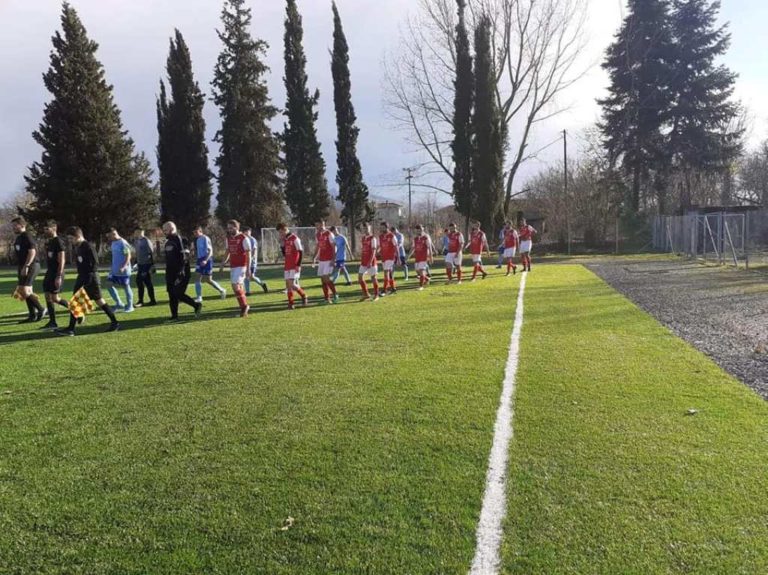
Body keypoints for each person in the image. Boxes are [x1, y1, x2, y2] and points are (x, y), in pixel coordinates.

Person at [55, 226, 119, 336]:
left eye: (71, 238)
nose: (70, 241)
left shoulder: (88, 246)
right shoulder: (78, 247)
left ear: (78, 236)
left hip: (90, 278)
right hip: (82, 276)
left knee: (80, 301)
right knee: (97, 301)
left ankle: (71, 329)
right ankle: (115, 323)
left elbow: (95, 263)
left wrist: (88, 278)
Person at [162, 221, 202, 322]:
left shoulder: (181, 240)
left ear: (171, 229)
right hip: (170, 272)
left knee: (178, 293)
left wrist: (181, 270)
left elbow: (186, 256)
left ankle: (196, 305)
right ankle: (174, 316)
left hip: (181, 272)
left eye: (165, 230)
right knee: (171, 294)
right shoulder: (167, 242)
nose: (164, 232)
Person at [10, 216, 45, 322]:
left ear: (22, 225)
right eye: (13, 226)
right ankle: (32, 315)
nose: (13, 228)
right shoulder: (19, 237)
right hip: (22, 266)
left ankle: (41, 309)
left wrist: (27, 266)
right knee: (24, 291)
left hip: (31, 265)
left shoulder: (27, 236)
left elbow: (32, 252)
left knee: (24, 290)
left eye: (15, 225)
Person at [39, 221, 70, 330]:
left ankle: (77, 311)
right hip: (49, 272)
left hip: (57, 273)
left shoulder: (58, 242)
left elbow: (62, 260)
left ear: (54, 228)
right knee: (47, 296)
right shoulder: (49, 242)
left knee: (55, 298)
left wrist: (59, 276)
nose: (45, 231)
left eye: (47, 229)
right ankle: (52, 322)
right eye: (44, 229)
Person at [223, 220, 253, 317]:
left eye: (231, 228)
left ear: (237, 227)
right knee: (238, 287)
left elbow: (248, 254)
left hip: (241, 266)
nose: (229, 230)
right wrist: (223, 262)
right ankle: (243, 308)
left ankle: (244, 306)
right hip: (233, 266)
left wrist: (248, 269)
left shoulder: (243, 238)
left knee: (235, 285)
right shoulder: (228, 238)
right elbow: (227, 251)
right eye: (228, 228)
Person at [277, 223, 308, 310]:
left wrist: (298, 265)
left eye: (281, 232)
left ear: (285, 229)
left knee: (291, 284)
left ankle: (302, 296)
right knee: (288, 285)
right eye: (279, 233)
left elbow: (300, 251)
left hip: (294, 265)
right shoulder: (285, 240)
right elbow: (285, 254)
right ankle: (292, 303)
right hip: (287, 264)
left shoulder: (295, 238)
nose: (280, 234)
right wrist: (282, 245)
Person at [193, 225, 226, 302]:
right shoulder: (197, 240)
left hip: (207, 260)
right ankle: (199, 297)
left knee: (208, 280)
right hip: (200, 260)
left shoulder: (205, 238)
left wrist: (205, 260)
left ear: (200, 231)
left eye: (196, 232)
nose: (195, 234)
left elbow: (210, 251)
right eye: (194, 232)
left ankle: (222, 290)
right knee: (197, 277)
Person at [106, 228, 134, 312]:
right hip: (114, 270)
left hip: (123, 270)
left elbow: (128, 256)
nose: (108, 238)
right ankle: (119, 303)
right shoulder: (113, 242)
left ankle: (130, 306)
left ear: (114, 234)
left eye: (109, 236)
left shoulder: (123, 242)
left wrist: (124, 266)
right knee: (108, 284)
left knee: (126, 287)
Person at [313, 220, 338, 304]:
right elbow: (318, 247)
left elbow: (334, 247)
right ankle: (326, 298)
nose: (316, 227)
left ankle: (335, 294)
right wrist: (314, 257)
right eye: (316, 225)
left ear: (322, 224)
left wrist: (333, 259)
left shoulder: (329, 233)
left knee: (326, 277)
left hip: (328, 259)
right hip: (321, 260)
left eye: (317, 225)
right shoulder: (317, 235)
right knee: (322, 279)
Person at [133, 228, 157, 307]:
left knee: (139, 281)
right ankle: (152, 300)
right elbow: (137, 253)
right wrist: (135, 263)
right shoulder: (136, 241)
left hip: (146, 265)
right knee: (147, 282)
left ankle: (141, 301)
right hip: (140, 265)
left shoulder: (146, 241)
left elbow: (152, 253)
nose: (136, 233)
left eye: (137, 231)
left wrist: (152, 265)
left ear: (142, 232)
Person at [358, 222, 380, 301]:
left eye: (367, 228)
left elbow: (374, 251)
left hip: (371, 262)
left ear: (370, 228)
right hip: (363, 262)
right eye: (364, 228)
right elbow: (364, 250)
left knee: (373, 278)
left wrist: (370, 261)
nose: (365, 230)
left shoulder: (372, 238)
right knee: (360, 278)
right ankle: (366, 294)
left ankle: (376, 295)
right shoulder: (363, 238)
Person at [242, 227, 268, 295]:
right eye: (244, 232)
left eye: (247, 231)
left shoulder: (252, 240)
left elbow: (254, 251)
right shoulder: (243, 239)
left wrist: (251, 258)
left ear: (250, 232)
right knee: (247, 276)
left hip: (252, 262)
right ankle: (248, 291)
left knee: (251, 276)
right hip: (245, 261)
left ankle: (262, 284)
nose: (246, 233)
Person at [408, 224, 434, 291]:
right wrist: (408, 256)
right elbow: (413, 248)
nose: (418, 231)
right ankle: (427, 279)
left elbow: (429, 247)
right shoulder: (415, 238)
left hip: (424, 256)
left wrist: (431, 257)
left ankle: (421, 286)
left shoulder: (426, 237)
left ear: (422, 229)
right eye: (417, 230)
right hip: (417, 257)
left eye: (420, 229)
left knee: (422, 271)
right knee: (417, 270)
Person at [378, 221, 399, 295]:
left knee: (386, 273)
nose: (381, 229)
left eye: (383, 227)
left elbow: (396, 246)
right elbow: (380, 246)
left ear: (387, 227)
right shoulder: (380, 236)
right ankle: (393, 288)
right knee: (389, 273)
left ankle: (384, 290)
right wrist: (377, 251)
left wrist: (398, 258)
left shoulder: (391, 235)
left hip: (390, 257)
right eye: (381, 227)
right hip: (383, 257)